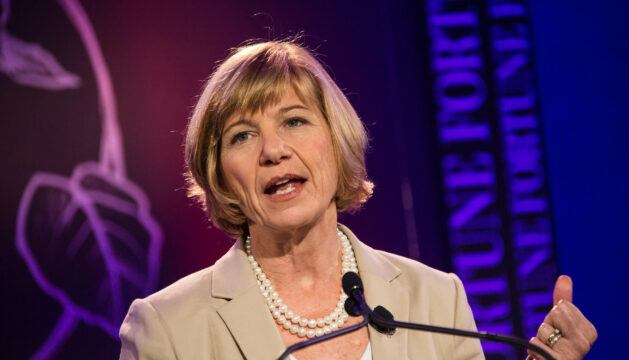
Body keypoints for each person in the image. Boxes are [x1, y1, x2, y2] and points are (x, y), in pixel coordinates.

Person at [119, 40, 597, 360]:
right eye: (242, 136)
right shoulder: (168, 327)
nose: (273, 150)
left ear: (337, 139)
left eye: (294, 121)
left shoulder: (434, 298)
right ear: (219, 174)